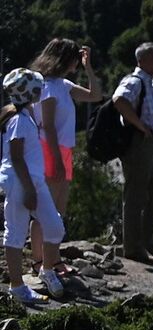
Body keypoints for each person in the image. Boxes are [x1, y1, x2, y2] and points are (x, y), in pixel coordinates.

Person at [29, 39, 102, 276]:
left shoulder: (63, 84)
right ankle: (43, 261)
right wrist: (58, 161)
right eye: (74, 58)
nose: (75, 63)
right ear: (64, 59)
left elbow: (95, 95)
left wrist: (88, 67)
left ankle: (51, 259)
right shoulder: (47, 87)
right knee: (46, 210)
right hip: (50, 150)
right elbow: (48, 126)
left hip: (63, 150)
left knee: (58, 209)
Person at [3, 69, 66, 303]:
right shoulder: (19, 120)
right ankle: (17, 287)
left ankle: (47, 270)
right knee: (16, 233)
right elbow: (16, 157)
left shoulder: (26, 115)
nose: (42, 91)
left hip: (33, 182)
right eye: (38, 88)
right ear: (30, 92)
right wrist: (29, 189)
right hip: (21, 183)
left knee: (55, 226)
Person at [111, 42, 153, 264]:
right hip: (139, 143)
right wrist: (140, 126)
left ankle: (146, 242)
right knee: (136, 194)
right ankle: (134, 247)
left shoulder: (151, 83)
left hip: (152, 142)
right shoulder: (134, 81)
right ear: (143, 60)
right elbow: (119, 100)